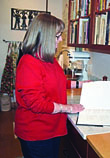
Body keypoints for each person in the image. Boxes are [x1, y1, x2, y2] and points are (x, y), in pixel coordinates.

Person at [15, 13, 85, 158]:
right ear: (46, 37)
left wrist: (80, 83)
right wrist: (69, 108)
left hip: (51, 129)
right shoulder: (28, 63)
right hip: (36, 134)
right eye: (57, 35)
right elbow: (36, 103)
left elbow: (58, 82)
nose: (60, 40)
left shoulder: (49, 60)